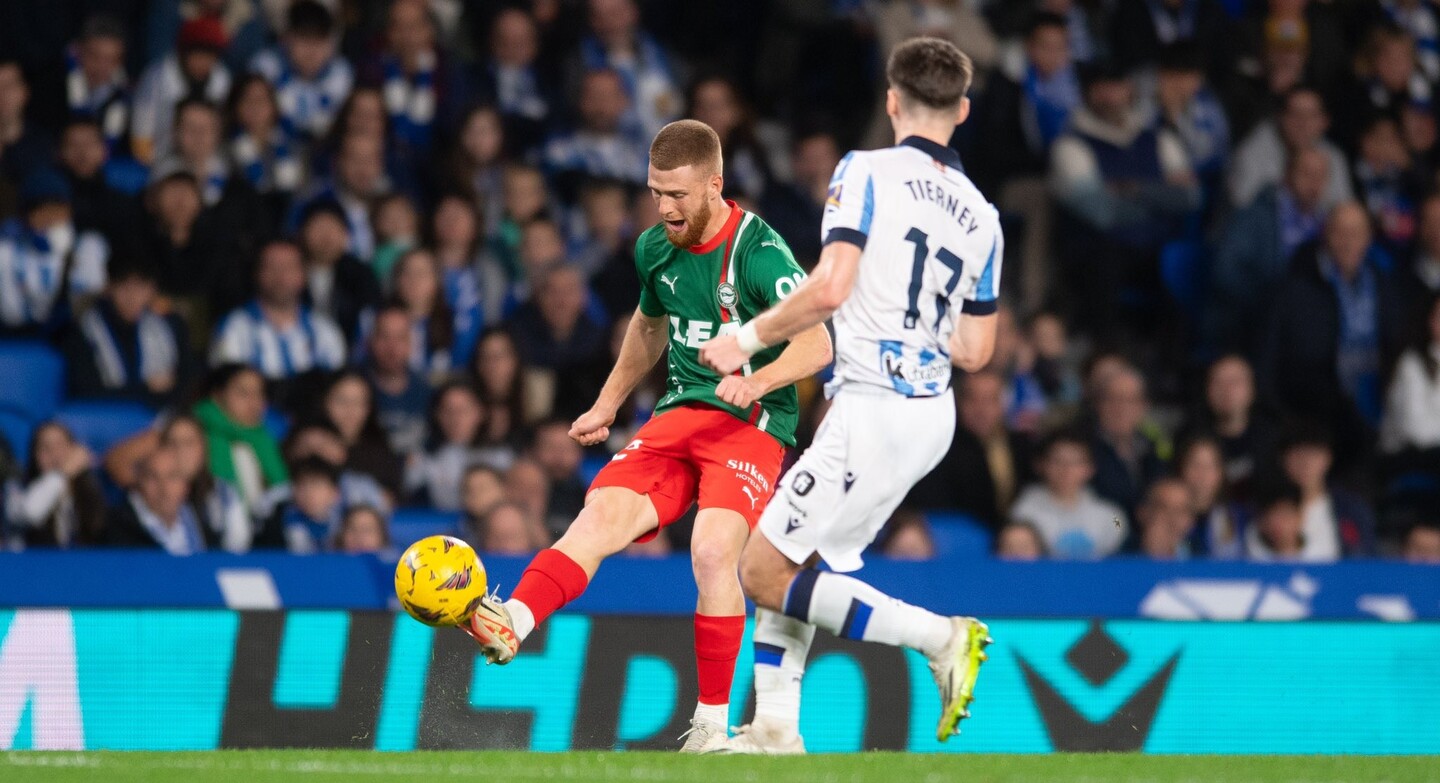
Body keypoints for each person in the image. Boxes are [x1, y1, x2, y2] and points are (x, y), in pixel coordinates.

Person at [465, 118, 831, 754]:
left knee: (715, 550)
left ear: (715, 184)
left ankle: (711, 729)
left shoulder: (758, 252)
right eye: (656, 192)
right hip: (677, 416)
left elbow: (819, 342)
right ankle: (513, 623)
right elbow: (646, 326)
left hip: (751, 423)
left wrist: (758, 379)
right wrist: (607, 404)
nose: (665, 208)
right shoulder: (653, 248)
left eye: (679, 195)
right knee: (598, 516)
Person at [698, 39, 999, 753]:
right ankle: (775, 726)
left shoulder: (864, 171)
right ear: (961, 109)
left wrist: (745, 340)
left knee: (760, 567)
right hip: (932, 413)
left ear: (891, 101)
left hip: (873, 405)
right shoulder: (982, 215)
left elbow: (830, 286)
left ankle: (941, 636)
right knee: (797, 559)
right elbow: (978, 350)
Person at [210, 239, 348, 385]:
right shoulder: (234, 326)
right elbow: (227, 388)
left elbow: (338, 387)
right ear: (257, 273)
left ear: (303, 275)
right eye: (272, 267)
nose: (281, 277)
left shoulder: (325, 329)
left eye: (289, 267)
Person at [61, 257, 188, 408]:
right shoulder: (84, 331)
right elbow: (86, 392)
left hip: (159, 420)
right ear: (109, 288)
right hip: (104, 419)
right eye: (124, 287)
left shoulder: (170, 326)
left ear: (152, 290)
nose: (132, 297)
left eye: (141, 287)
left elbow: (185, 383)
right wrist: (146, 388)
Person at [0, 166, 110, 337]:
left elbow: (92, 303)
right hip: (22, 338)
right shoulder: (7, 252)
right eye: (40, 210)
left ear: (69, 211)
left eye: (57, 209)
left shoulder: (88, 246)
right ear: (24, 216)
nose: (49, 217)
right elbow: (12, 313)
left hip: (75, 339)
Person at [1010, 429, 1129, 559]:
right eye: (1057, 461)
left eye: (1076, 462)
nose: (1066, 469)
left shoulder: (1110, 514)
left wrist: (1118, 524)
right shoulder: (1023, 512)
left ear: (1090, 469)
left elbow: (1118, 526)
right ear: (1040, 465)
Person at [247, 0, 353, 143]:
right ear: (286, 38)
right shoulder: (264, 69)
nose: (311, 51)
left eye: (319, 40)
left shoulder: (343, 75)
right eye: (304, 39)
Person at [130, 17, 232, 165]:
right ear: (184, 52)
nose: (204, 62)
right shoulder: (157, 77)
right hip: (159, 159)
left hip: (205, 161)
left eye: (210, 55)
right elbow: (141, 132)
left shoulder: (222, 78)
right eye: (198, 53)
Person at [194, 363, 288, 516]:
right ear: (217, 396)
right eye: (243, 393)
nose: (254, 402)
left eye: (259, 393)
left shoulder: (268, 441)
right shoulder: (195, 434)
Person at [3, 422, 105, 549]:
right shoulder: (16, 488)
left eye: (60, 445)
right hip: (30, 565)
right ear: (34, 455)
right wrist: (62, 474)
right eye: (44, 447)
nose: (54, 454)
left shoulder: (90, 491)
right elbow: (31, 513)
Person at [106, 448, 208, 554]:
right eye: (153, 477)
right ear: (139, 483)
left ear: (187, 485)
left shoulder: (204, 527)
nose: (163, 488)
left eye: (172, 476)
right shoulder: (115, 532)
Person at [1135, 477, 1195, 560]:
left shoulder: (1203, 555)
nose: (1173, 519)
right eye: (1164, 508)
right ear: (1143, 513)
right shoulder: (1120, 554)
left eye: (1181, 511)